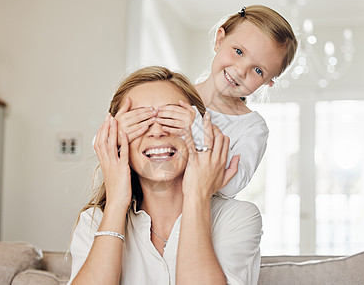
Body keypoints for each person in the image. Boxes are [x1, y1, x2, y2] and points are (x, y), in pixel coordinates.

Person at [69, 66, 263, 285]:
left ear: (200, 137)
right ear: (117, 143)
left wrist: (197, 194)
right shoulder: (93, 223)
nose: (158, 131)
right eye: (140, 122)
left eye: (172, 118)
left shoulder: (237, 219)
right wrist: (115, 202)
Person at [114, 5, 298, 197]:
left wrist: (196, 129)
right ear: (219, 39)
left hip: (202, 220)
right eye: (239, 51)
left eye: (258, 70)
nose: (241, 70)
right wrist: (117, 134)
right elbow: (107, 145)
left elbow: (231, 185)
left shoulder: (252, 127)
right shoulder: (173, 93)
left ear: (268, 83)